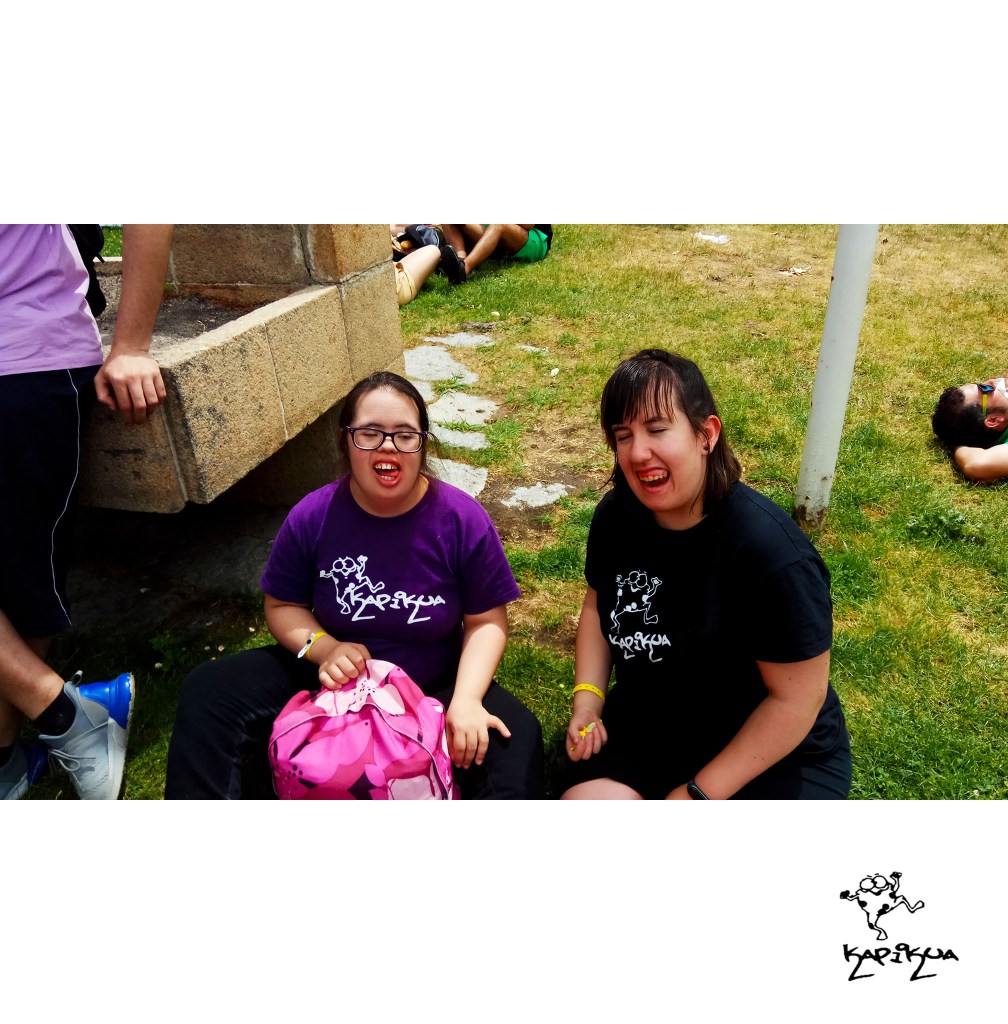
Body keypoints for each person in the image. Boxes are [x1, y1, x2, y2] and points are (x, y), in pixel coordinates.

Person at [165, 370, 544, 799]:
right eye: (370, 433)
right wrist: (324, 648)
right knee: (209, 690)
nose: (388, 446)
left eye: (405, 435)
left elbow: (486, 621)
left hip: (431, 682)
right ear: (346, 440)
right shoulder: (313, 515)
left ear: (423, 444)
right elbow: (282, 605)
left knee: (516, 738)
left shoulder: (461, 519)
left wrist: (468, 699)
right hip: (329, 678)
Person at [559, 348, 852, 800]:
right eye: (623, 435)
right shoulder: (617, 517)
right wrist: (588, 699)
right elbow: (599, 606)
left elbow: (796, 700)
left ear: (706, 434)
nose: (638, 453)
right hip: (650, 727)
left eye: (658, 429)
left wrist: (698, 794)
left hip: (767, 752)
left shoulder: (773, 554)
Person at [0, 223, 174, 800]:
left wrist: (132, 345)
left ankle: (9, 759)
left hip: (24, 358)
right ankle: (67, 716)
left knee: (22, 580)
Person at [931, 361, 1008, 481]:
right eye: (986, 389)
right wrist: (957, 445)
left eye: (982, 384)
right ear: (993, 420)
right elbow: (976, 464)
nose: (991, 381)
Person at [437, 224, 552, 285]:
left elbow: (528, 225)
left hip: (533, 238)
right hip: (494, 234)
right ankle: (459, 260)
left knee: (498, 225)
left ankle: (464, 268)